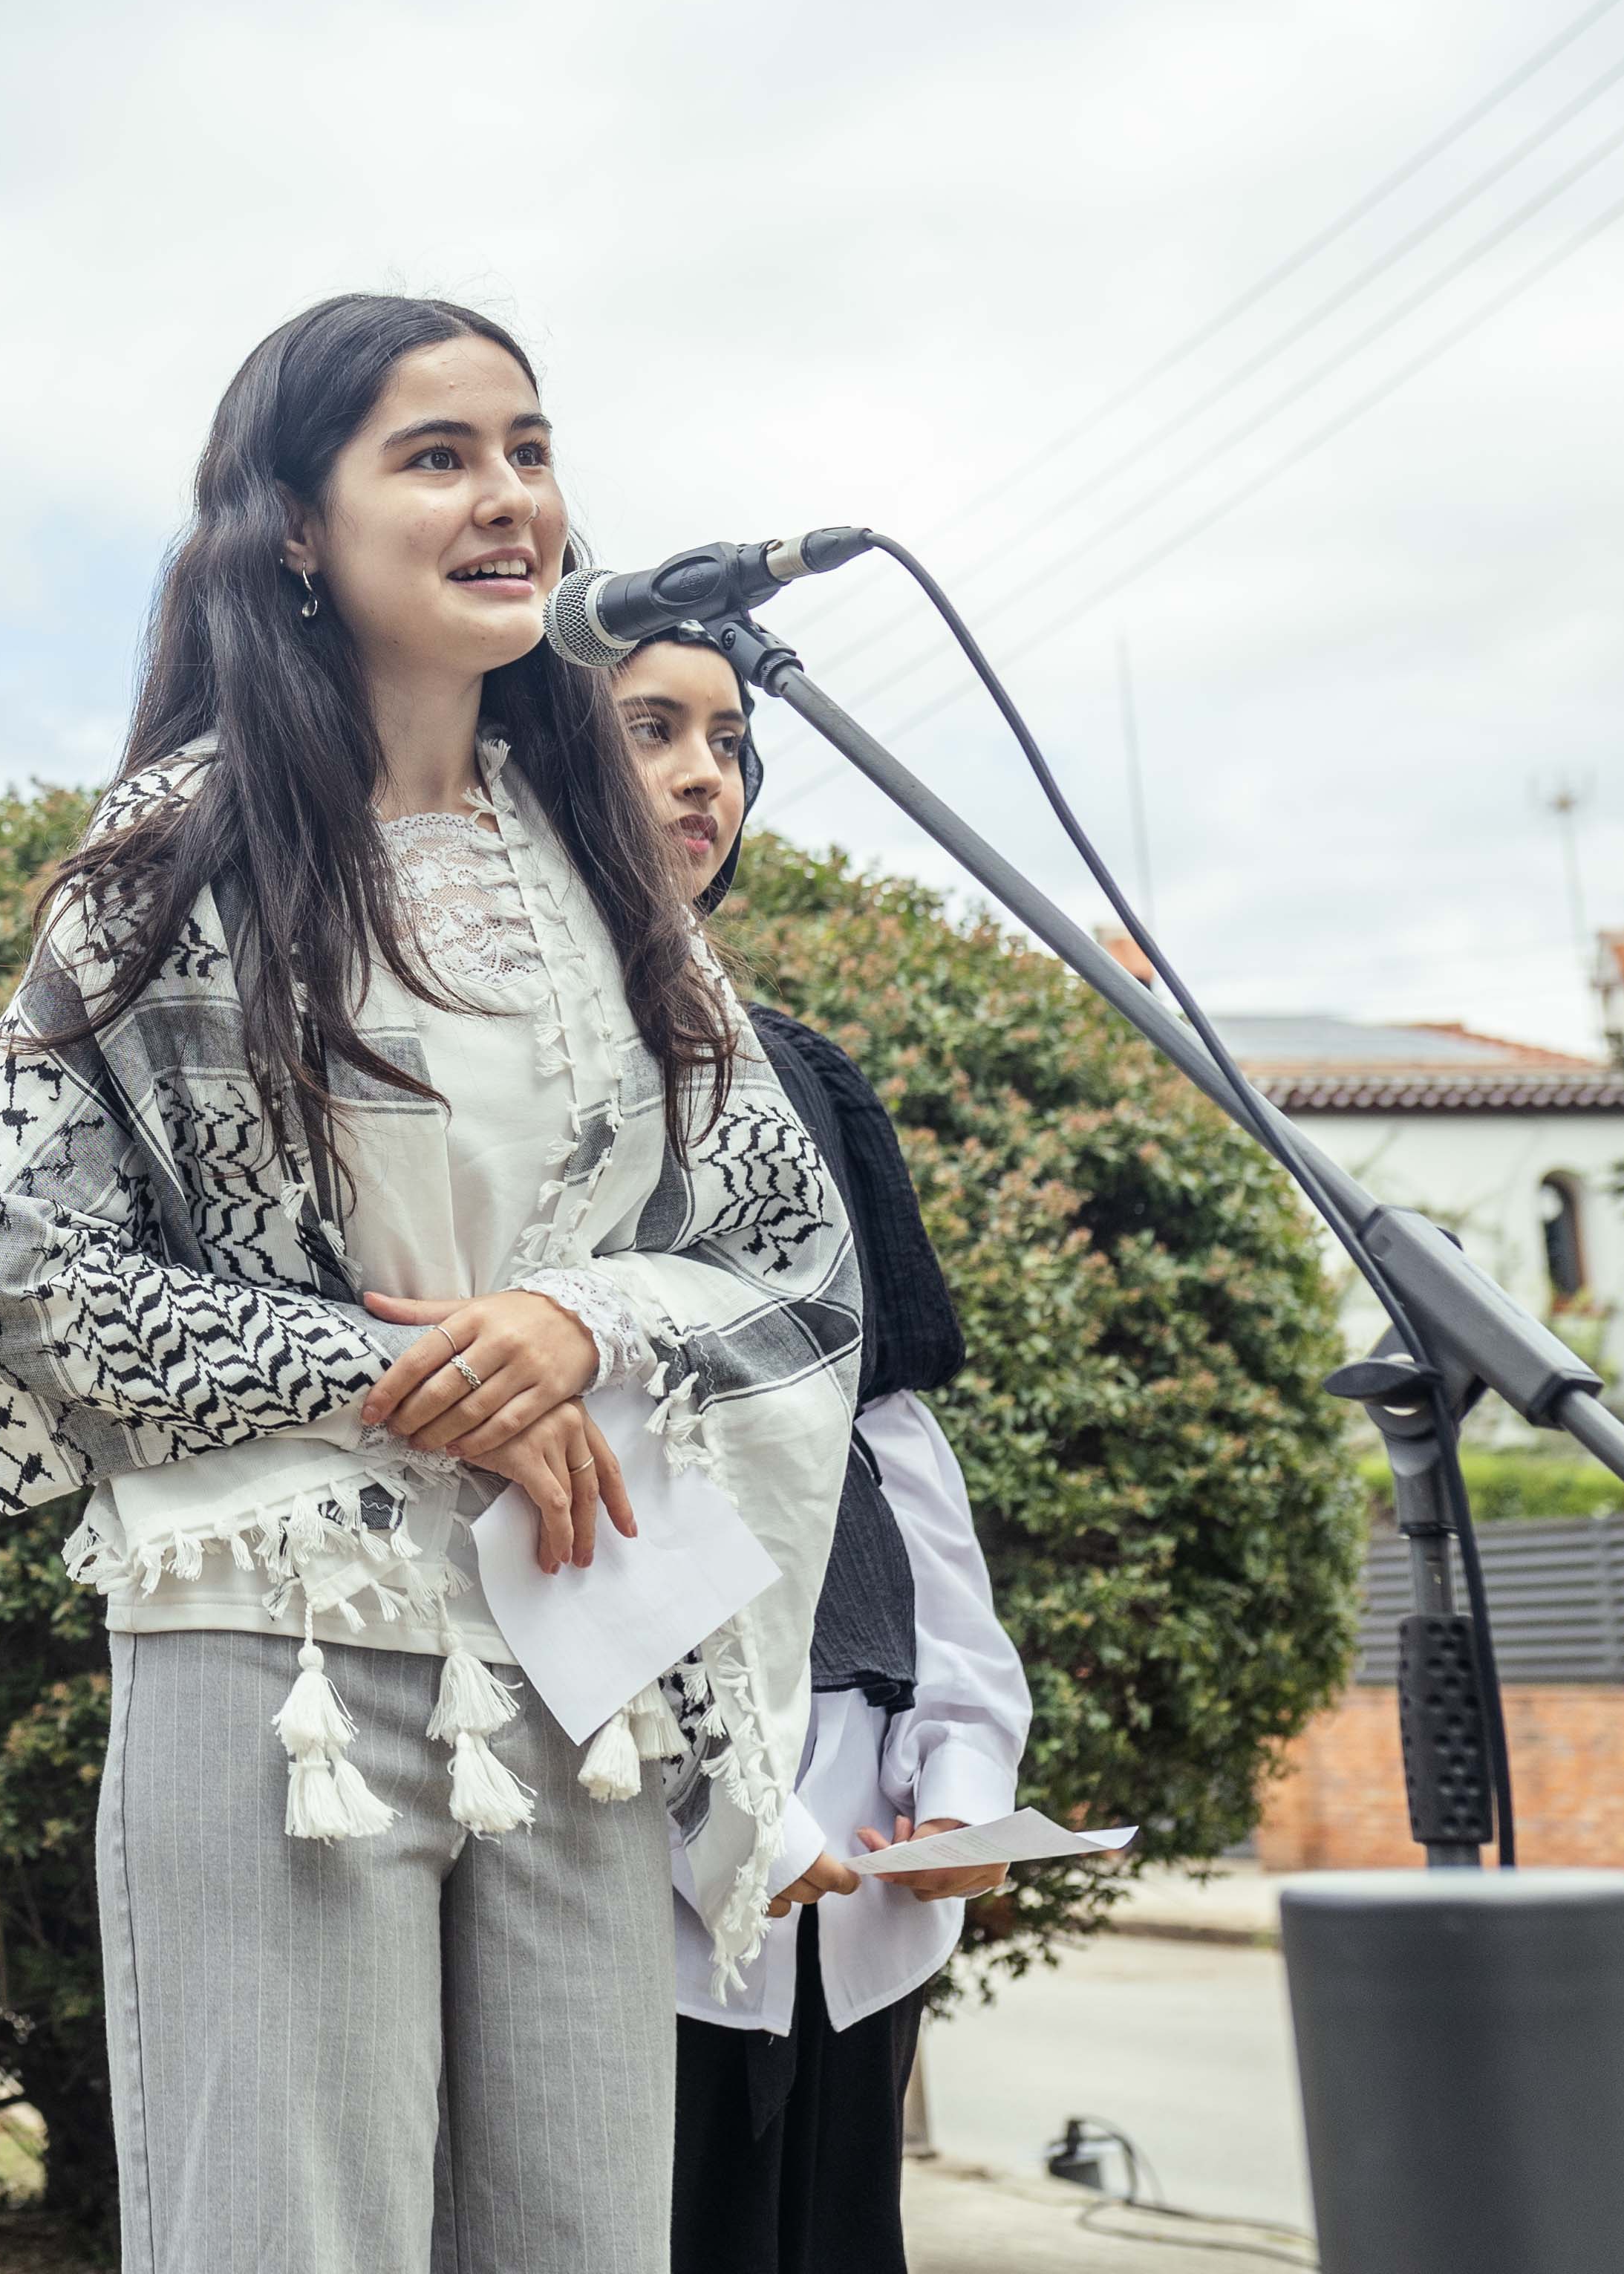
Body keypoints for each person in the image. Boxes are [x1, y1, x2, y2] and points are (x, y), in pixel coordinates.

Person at [0, 293, 868, 2274]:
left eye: (526, 449)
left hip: (580, 1630)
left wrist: (575, 1326)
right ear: (295, 526)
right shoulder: (168, 860)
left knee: (580, 2239)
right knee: (292, 2233)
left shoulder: (613, 878)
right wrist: (395, 1368)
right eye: (436, 456)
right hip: (276, 1630)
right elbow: (26, 1283)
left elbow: (787, 1267)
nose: (506, 496)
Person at [614, 631, 1029, 2274]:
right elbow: (552, 1455)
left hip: (863, 1857)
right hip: (629, 1832)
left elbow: (890, 1428)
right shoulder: (496, 1064)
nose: (704, 770)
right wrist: (731, 1800)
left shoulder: (800, 1069)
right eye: (652, 729)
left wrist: (971, 1754)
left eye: (728, 737)